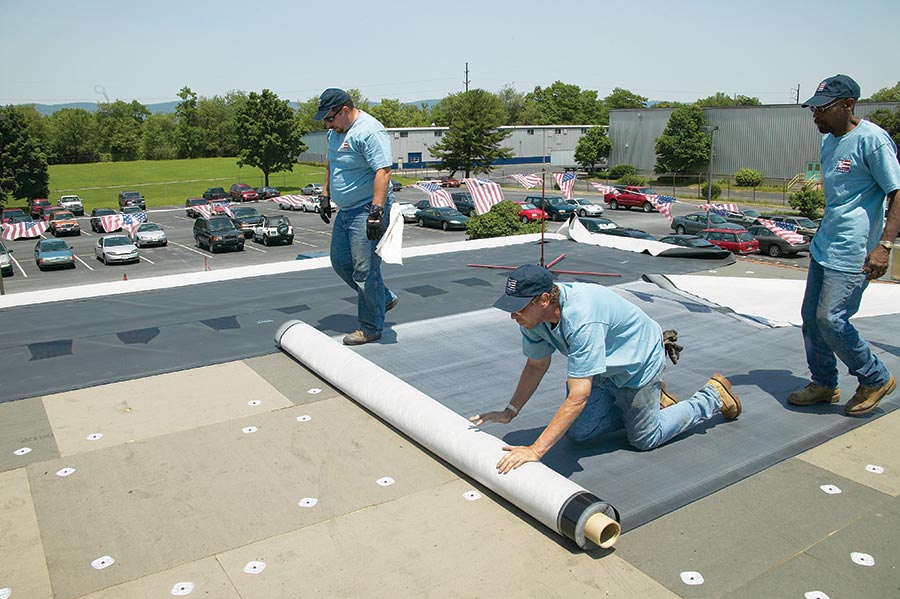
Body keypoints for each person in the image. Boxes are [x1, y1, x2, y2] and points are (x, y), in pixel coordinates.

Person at [469, 264, 742, 474]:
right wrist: (511, 410)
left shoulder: (582, 319)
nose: (513, 315)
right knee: (578, 432)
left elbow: (578, 396)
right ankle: (647, 406)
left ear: (543, 300)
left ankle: (712, 396)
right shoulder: (532, 319)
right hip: (603, 367)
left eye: (518, 308)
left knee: (645, 438)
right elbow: (536, 364)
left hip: (638, 364)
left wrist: (536, 450)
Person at [788, 75, 900, 416]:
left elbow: (897, 192)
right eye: (813, 108)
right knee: (811, 318)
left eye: (822, 108)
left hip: (854, 251)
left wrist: (885, 246)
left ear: (848, 105)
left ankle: (874, 377)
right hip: (826, 246)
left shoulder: (873, 141)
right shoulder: (829, 142)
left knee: (832, 320)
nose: (815, 115)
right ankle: (824, 383)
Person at [314, 88, 399, 346]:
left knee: (365, 269)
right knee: (340, 262)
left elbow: (383, 172)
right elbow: (332, 164)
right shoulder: (334, 133)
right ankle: (382, 297)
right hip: (346, 209)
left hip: (367, 207)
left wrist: (376, 211)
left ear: (345, 110)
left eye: (330, 118)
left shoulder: (369, 131)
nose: (328, 124)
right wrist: (325, 195)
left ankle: (371, 327)